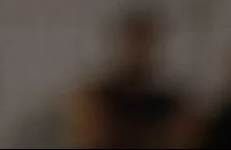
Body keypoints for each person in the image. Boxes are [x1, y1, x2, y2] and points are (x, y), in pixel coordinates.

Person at [66, 10, 189, 150]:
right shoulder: (94, 98)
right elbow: (92, 137)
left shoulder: (172, 104)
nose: (140, 52)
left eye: (146, 43)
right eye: (135, 42)